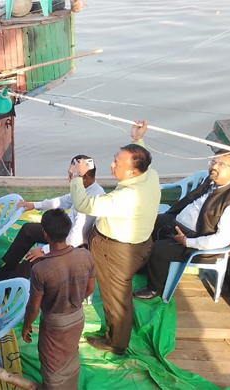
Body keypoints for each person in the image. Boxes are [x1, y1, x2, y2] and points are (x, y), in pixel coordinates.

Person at [68, 120, 160, 355]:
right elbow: (140, 159)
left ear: (131, 171)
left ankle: (116, 342)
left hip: (117, 251)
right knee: (116, 293)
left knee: (115, 297)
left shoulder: (127, 196)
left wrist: (78, 177)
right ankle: (117, 336)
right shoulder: (149, 175)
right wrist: (137, 139)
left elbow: (83, 203)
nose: (111, 165)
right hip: (137, 241)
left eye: (117, 163)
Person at [133, 152, 230, 300]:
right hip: (179, 223)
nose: (215, 166)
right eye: (214, 162)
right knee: (147, 224)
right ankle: (144, 266)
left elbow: (221, 240)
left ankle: (155, 288)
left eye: (222, 164)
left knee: (160, 249)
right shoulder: (213, 179)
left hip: (199, 240)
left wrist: (187, 242)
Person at [0, 155, 105, 280]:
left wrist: (44, 250)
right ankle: (7, 269)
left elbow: (75, 239)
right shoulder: (81, 189)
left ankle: (12, 282)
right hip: (63, 233)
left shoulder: (93, 200)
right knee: (28, 229)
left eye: (71, 176)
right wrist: (34, 205)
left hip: (75, 245)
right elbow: (63, 201)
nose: (69, 179)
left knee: (35, 258)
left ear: (85, 177)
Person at [21, 209, 95, 390]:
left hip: (54, 324)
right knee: (70, 356)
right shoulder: (86, 255)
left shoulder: (41, 269)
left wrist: (26, 325)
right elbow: (90, 289)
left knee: (52, 367)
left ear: (45, 234)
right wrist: (73, 300)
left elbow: (34, 308)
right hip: (77, 317)